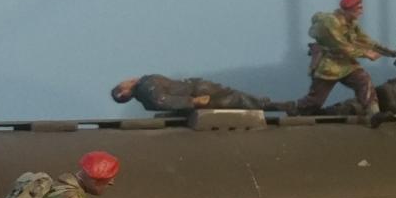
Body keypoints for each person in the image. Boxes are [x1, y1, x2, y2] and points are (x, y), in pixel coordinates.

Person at [295, 0, 396, 127]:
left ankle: (373, 114)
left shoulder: (352, 23)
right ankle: (280, 106)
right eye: (359, 8)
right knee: (313, 102)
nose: (362, 11)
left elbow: (365, 40)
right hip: (329, 65)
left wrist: (388, 51)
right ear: (350, 9)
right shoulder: (331, 23)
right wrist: (366, 54)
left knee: (363, 80)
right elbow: (341, 46)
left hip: (346, 64)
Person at [110, 74, 279, 113]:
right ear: (124, 92)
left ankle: (266, 104)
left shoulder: (145, 92)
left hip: (197, 90)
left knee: (236, 100)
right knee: (235, 99)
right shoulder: (146, 86)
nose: (128, 80)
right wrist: (193, 102)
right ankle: (270, 105)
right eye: (123, 84)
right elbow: (162, 101)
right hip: (197, 91)